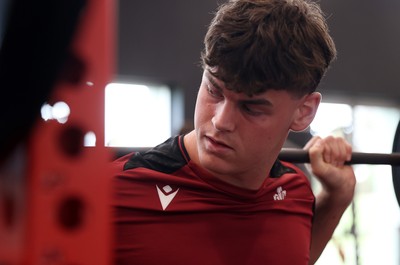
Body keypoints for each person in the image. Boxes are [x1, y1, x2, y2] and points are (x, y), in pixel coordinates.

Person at [111, 0, 356, 264]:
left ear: (304, 112)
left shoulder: (295, 192)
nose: (221, 121)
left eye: (251, 108)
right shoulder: (114, 193)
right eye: (214, 91)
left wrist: (337, 198)